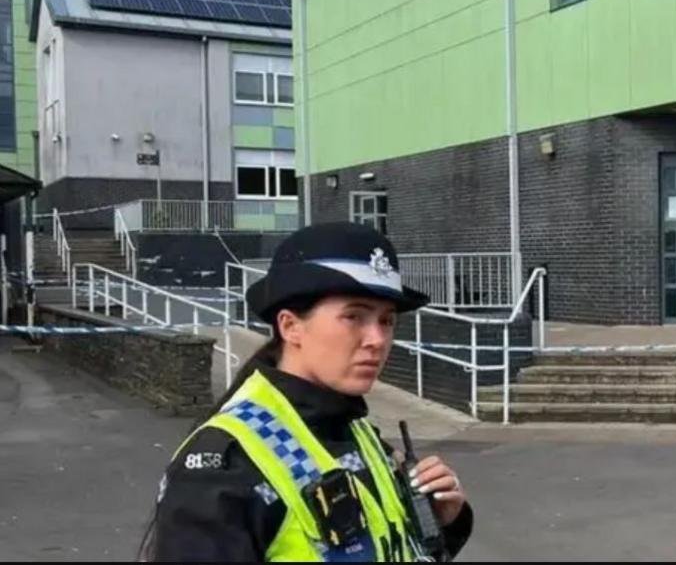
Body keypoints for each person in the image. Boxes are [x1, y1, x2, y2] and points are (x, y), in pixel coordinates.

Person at [139, 222, 473, 562]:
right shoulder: (222, 467)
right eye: (354, 316)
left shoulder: (357, 431)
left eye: (387, 321)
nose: (377, 340)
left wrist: (442, 522)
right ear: (290, 326)